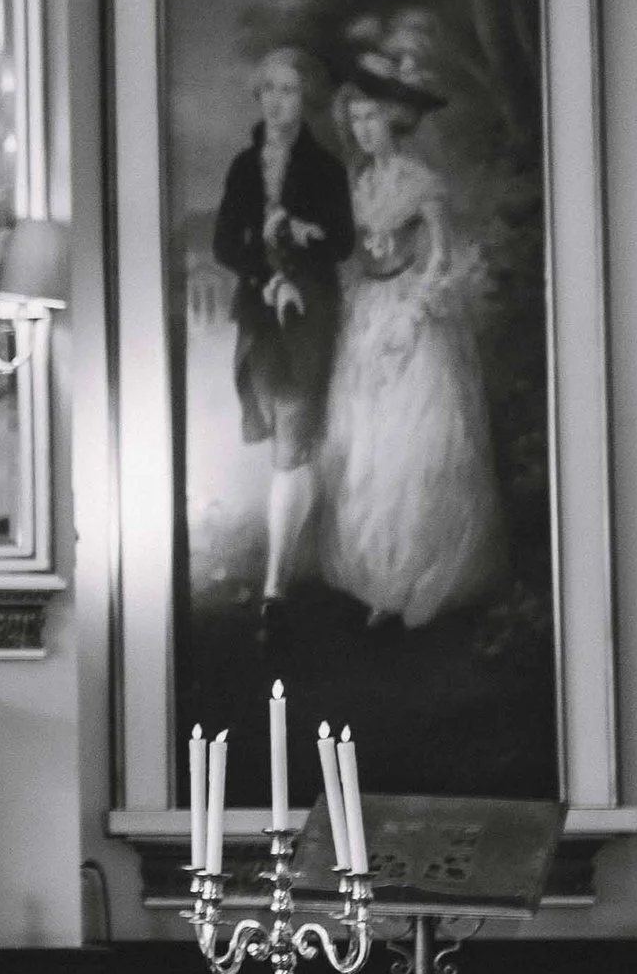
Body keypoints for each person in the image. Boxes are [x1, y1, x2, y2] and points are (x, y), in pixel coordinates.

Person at [316, 45, 507, 631]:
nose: (364, 131)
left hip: (411, 315)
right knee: (366, 446)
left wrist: (413, 313)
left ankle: (414, 575)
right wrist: (358, 301)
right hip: (368, 312)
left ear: (393, 121)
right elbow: (353, 255)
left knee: (414, 444)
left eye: (372, 119)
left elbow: (441, 258)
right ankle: (378, 579)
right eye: (355, 123)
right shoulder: (358, 182)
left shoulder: (421, 182)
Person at [211, 46, 354, 637]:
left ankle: (274, 587)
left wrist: (300, 240)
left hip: (311, 314)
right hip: (260, 314)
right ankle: (302, 558)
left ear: (305, 101)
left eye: (289, 90)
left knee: (293, 437)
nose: (276, 100)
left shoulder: (325, 170)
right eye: (267, 88)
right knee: (286, 436)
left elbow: (342, 241)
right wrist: (267, 276)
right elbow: (224, 242)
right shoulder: (245, 167)